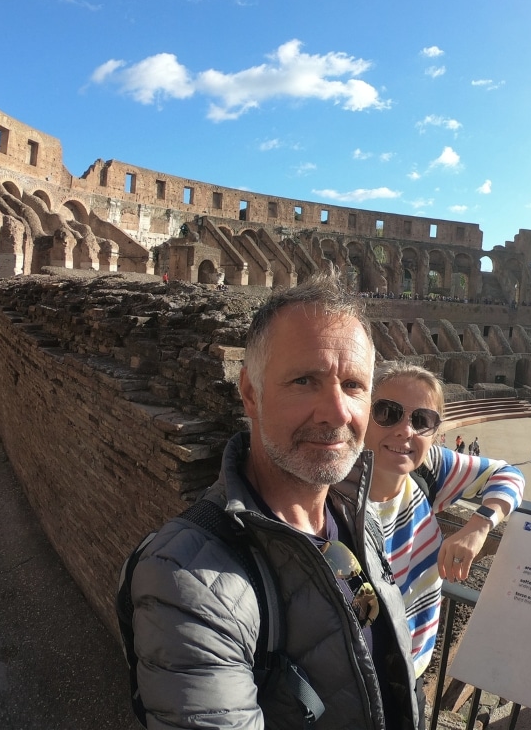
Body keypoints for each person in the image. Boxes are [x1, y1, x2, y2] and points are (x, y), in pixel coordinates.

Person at [131, 274, 418, 730]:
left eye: (353, 385)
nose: (337, 412)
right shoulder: (185, 583)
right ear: (250, 393)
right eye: (305, 380)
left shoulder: (354, 517)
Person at [365, 362, 524, 728]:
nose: (405, 429)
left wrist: (479, 524)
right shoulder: (327, 497)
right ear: (362, 415)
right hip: (354, 678)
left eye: (422, 420)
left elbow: (509, 473)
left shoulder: (429, 468)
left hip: (412, 670)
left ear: (435, 432)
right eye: (387, 412)